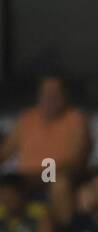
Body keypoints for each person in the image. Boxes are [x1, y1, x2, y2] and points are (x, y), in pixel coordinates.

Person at [0, 74, 90, 222]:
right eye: (46, 93)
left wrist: (44, 174)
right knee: (8, 188)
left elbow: (77, 159)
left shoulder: (76, 120)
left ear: (64, 95)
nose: (50, 98)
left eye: (55, 93)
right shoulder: (27, 119)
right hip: (26, 179)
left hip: (58, 176)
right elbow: (5, 152)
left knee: (59, 185)